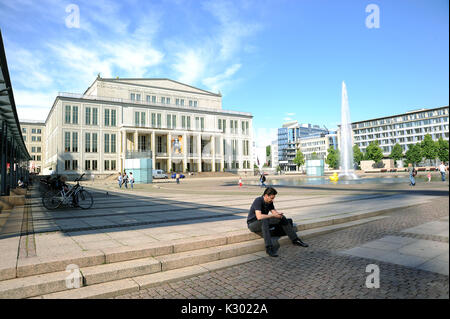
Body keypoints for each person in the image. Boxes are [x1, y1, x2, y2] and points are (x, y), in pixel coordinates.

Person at [247, 187, 308, 257]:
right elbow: (259, 217)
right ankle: (269, 247)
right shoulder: (258, 200)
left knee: (282, 218)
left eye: (273, 198)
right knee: (264, 220)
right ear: (266, 195)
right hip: (252, 223)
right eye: (272, 198)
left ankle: (295, 240)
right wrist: (273, 215)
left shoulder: (269, 202)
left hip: (263, 221)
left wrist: (279, 215)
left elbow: (274, 212)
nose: (273, 200)